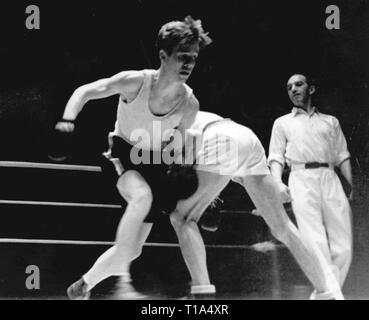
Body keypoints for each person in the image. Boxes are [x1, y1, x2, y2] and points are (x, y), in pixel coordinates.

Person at [87, 110, 345, 300]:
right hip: (244, 138)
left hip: (219, 139)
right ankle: (327, 293)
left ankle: (202, 297)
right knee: (283, 228)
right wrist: (269, 187)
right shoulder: (166, 133)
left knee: (182, 219)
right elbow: (230, 169)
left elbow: (195, 149)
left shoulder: (162, 132)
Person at [56, 16, 212, 300]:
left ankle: (83, 285)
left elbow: (178, 147)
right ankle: (123, 286)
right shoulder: (135, 82)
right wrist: (68, 119)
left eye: (194, 57)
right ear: (163, 56)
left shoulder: (189, 103)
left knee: (133, 249)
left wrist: (193, 180)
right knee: (141, 197)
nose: (189, 64)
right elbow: (87, 91)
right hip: (122, 156)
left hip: (154, 165)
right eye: (182, 57)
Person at [268, 74, 353, 299]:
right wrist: (277, 182)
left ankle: (323, 294)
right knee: (315, 242)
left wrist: (353, 186)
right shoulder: (282, 123)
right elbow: (275, 156)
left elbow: (342, 155)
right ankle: (333, 295)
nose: (293, 89)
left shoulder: (331, 121)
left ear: (311, 89)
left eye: (298, 84)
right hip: (300, 178)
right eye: (288, 87)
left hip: (330, 177)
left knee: (344, 245)